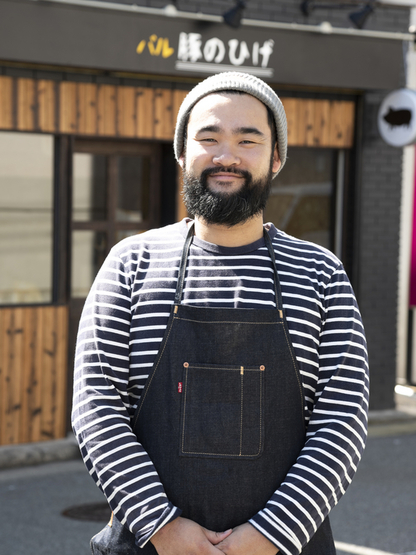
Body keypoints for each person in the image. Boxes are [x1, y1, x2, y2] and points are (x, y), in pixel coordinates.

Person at [72, 72, 369, 555]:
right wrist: (163, 528)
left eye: (247, 140)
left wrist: (271, 534)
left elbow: (342, 420)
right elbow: (96, 408)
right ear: (182, 153)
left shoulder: (319, 274)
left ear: (275, 158)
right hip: (151, 542)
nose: (226, 156)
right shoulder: (132, 263)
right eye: (208, 138)